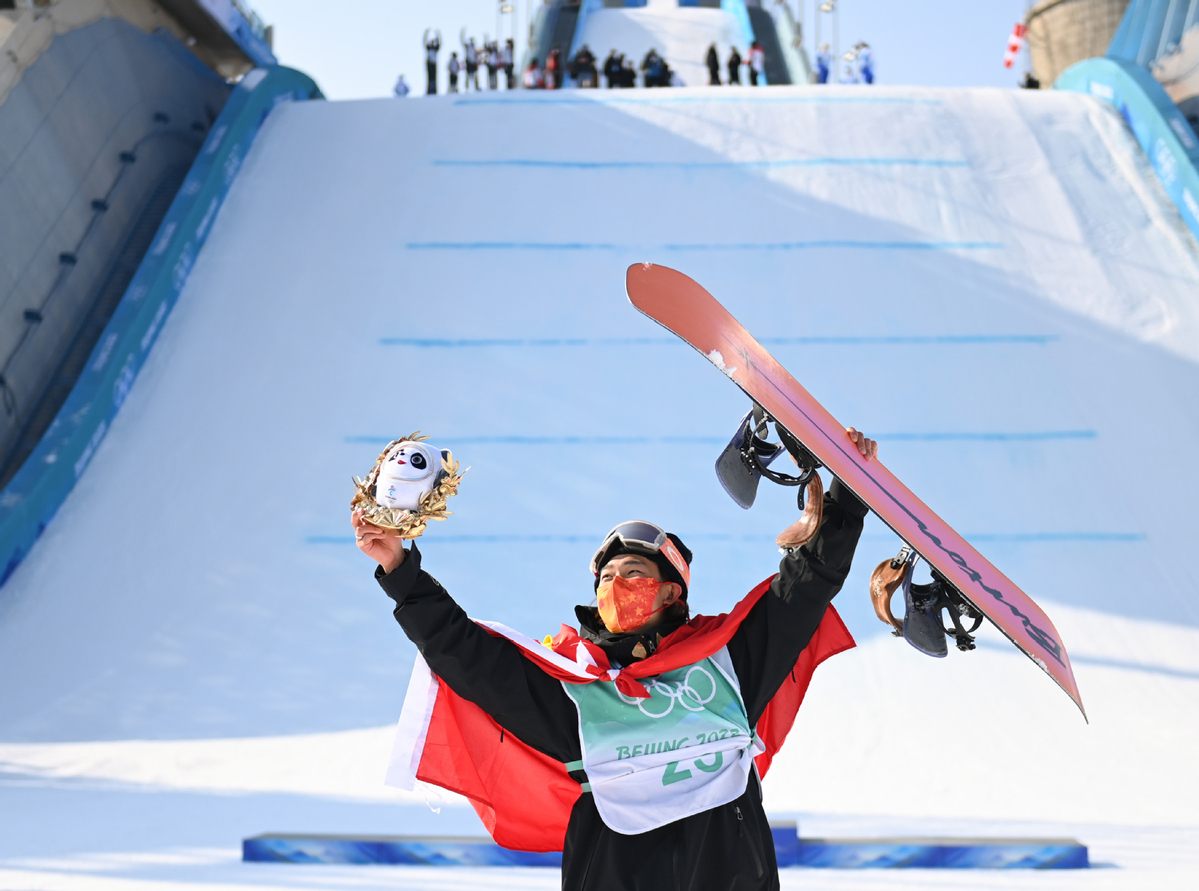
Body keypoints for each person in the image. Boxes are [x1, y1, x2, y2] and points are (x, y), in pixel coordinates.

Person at [354, 428, 879, 890]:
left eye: (632, 573)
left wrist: (847, 497)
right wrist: (400, 570)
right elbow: (465, 654)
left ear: (671, 593)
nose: (614, 586)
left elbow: (805, 588)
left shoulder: (729, 663)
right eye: (605, 578)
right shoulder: (575, 689)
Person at [423, 29, 440, 95]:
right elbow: (424, 42)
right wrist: (426, 34)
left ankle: (435, 91)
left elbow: (439, 43)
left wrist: (437, 34)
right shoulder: (428, 48)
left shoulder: (435, 48)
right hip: (429, 64)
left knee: (434, 78)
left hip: (434, 64)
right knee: (429, 78)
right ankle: (428, 91)